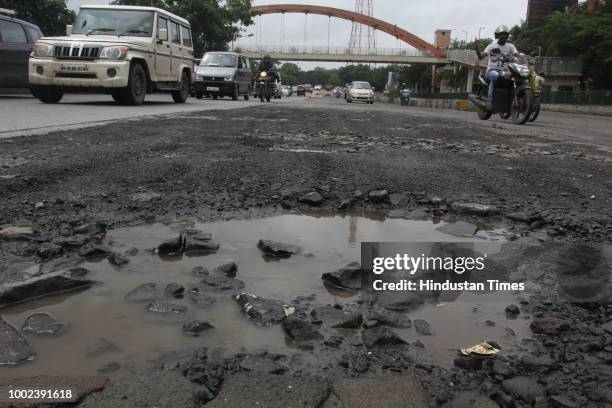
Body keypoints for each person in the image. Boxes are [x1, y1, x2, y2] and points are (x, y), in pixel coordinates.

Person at [475, 26, 521, 110]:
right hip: (492, 70)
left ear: (507, 36)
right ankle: (490, 101)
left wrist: (522, 56)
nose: (503, 36)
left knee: (516, 77)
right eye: (501, 34)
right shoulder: (491, 46)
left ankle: (513, 100)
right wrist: (477, 49)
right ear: (497, 36)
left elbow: (516, 54)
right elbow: (481, 57)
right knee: (495, 76)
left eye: (505, 34)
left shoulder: (510, 46)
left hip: (505, 71)